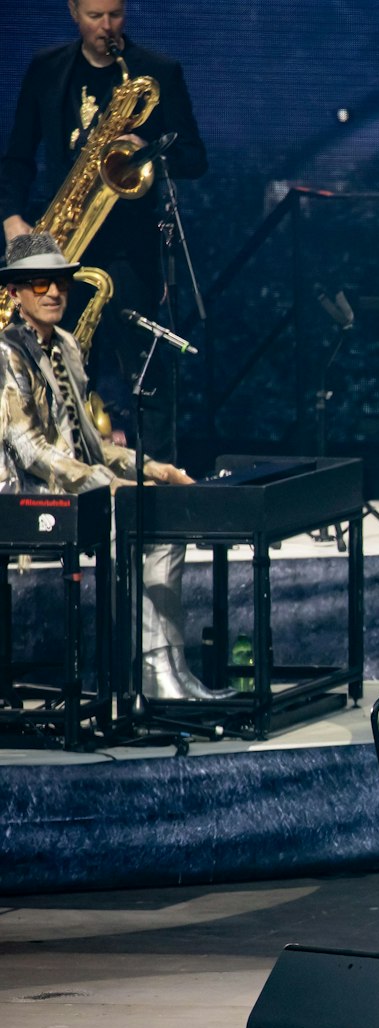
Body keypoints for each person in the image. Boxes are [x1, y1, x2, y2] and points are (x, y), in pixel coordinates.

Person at [1, 231, 225, 701]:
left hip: (78, 484)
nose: (54, 293)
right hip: (27, 492)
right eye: (39, 285)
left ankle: (166, 665)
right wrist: (108, 484)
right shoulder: (6, 354)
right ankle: (142, 674)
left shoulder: (66, 345)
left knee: (164, 517)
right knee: (128, 520)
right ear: (16, 294)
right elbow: (30, 448)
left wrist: (153, 467)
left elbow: (91, 441)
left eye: (60, 282)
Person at [0, 0, 208, 458]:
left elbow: (195, 158)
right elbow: (17, 156)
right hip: (63, 245)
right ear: (73, 11)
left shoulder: (156, 72)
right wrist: (12, 217)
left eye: (115, 14)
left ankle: (158, 502)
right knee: (59, 373)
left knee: (147, 376)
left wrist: (149, 149)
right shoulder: (46, 69)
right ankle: (66, 493)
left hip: (131, 251)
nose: (107, 27)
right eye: (95, 16)